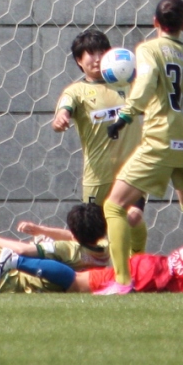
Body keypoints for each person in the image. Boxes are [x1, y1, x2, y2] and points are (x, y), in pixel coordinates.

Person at [97, 0, 183, 294]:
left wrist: (125, 116)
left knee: (114, 206)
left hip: (160, 142)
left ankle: (122, 281)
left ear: (155, 22)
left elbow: (144, 85)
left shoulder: (149, 49)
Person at [52, 28, 145, 257]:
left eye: (102, 52)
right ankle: (92, 271)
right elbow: (64, 109)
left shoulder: (128, 84)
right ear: (79, 60)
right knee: (93, 235)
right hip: (97, 176)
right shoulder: (76, 91)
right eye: (90, 53)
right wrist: (61, 118)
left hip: (131, 171)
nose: (97, 58)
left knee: (133, 219)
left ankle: (135, 269)